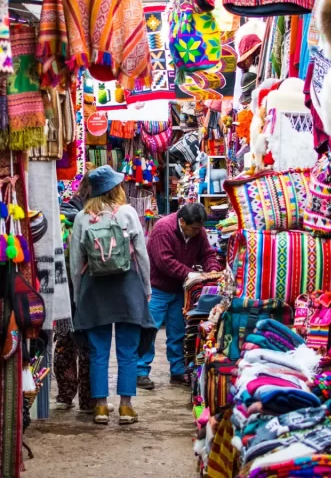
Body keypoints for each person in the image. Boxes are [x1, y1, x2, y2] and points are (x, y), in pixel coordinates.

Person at [69, 165, 154, 425]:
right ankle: (126, 407)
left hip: (95, 289)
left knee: (98, 352)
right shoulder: (128, 213)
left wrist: (78, 294)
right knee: (127, 351)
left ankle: (101, 407)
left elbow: (75, 262)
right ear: (115, 188)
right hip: (127, 287)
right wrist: (146, 288)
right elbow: (141, 254)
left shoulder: (82, 217)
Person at [137, 202, 222, 390]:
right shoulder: (163, 229)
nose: (196, 232)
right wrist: (192, 274)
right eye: (193, 228)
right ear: (182, 221)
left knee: (178, 333)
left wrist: (214, 272)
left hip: (179, 289)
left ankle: (177, 370)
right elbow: (164, 261)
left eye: (199, 229)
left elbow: (207, 254)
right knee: (149, 330)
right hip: (157, 288)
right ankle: (140, 372)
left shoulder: (197, 231)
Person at [53, 171, 93, 411]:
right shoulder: (86, 217)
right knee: (87, 347)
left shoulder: (64, 213)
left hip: (64, 292)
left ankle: (65, 395)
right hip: (84, 291)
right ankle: (88, 400)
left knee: (65, 344)